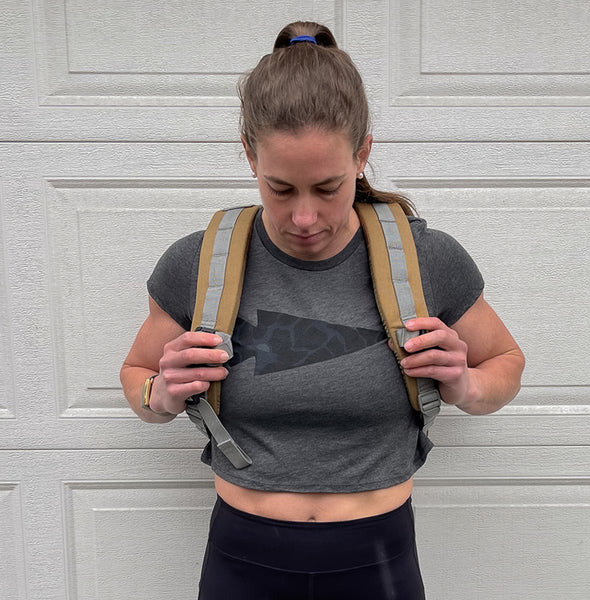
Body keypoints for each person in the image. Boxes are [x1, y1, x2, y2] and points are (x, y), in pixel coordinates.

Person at [121, 21, 525, 600]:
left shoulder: (425, 258)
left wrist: (465, 384)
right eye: (280, 189)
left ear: (363, 154)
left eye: (329, 187)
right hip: (241, 558)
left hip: (379, 558)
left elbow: (506, 364)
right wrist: (159, 396)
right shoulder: (200, 262)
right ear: (248, 155)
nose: (304, 218)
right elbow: (136, 376)